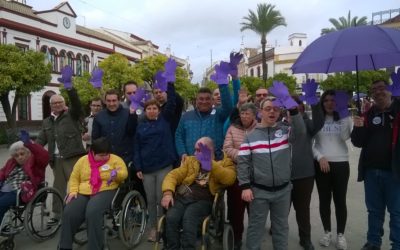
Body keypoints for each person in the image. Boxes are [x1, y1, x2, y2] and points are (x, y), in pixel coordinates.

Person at [237, 97, 305, 250]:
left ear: (280, 111)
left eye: (275, 108)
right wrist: (245, 186)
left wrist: (292, 108)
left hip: (283, 191)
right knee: (255, 228)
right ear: (260, 113)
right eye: (268, 109)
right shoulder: (250, 137)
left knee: (281, 228)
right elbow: (243, 163)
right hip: (259, 192)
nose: (272, 111)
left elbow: (300, 131)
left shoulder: (285, 131)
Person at [161, 137, 236, 250]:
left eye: (199, 150)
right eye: (195, 149)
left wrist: (209, 163)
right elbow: (173, 175)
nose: (195, 153)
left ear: (209, 150)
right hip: (183, 196)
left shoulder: (225, 161)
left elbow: (230, 178)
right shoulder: (191, 160)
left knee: (189, 218)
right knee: (171, 218)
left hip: (203, 200)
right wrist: (168, 193)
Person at [351, 80, 400, 250]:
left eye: (381, 88)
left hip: (395, 172)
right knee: (374, 210)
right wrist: (357, 127)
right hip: (371, 172)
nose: (378, 92)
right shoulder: (368, 114)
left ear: (390, 89)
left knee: (396, 212)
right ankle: (373, 242)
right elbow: (358, 142)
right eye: (374, 90)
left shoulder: (398, 109)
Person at [58, 137, 128, 250]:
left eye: (106, 154)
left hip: (106, 190)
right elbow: (74, 178)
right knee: (69, 211)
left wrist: (116, 175)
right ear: (93, 152)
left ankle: (95, 247)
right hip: (84, 191)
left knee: (93, 211)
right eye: (101, 155)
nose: (104, 157)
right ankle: (64, 246)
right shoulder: (82, 161)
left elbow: (123, 173)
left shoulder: (115, 159)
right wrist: (73, 191)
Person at [36, 86, 86, 225]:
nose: (57, 105)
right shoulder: (47, 121)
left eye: (60, 102)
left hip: (74, 157)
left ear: (64, 103)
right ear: (50, 105)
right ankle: (57, 215)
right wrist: (30, 148)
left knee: (80, 187)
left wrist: (71, 90)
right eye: (54, 103)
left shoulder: (72, 115)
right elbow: (41, 139)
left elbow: (76, 104)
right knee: (58, 188)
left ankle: (81, 212)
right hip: (56, 160)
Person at [134, 82, 177, 242]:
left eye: (154, 108)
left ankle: (163, 226)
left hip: (163, 166)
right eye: (148, 109)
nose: (151, 111)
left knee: (162, 197)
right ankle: (153, 228)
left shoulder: (164, 121)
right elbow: (136, 148)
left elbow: (171, 102)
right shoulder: (141, 127)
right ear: (145, 111)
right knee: (150, 200)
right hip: (146, 169)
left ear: (159, 111)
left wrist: (170, 83)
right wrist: (138, 166)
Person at [312, 90, 352, 250]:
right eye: (326, 100)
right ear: (322, 103)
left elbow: (344, 137)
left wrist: (343, 114)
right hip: (322, 164)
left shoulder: (345, 117)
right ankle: (327, 232)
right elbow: (311, 143)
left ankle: (340, 235)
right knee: (324, 200)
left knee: (340, 201)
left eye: (333, 100)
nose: (329, 103)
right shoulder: (317, 120)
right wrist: (319, 156)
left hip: (341, 163)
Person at [290, 96, 324, 250]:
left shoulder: (306, 122)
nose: (294, 107)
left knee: (302, 209)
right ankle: (278, 230)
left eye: (296, 104)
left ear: (302, 107)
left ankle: (305, 238)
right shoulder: (278, 122)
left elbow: (318, 124)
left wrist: (315, 102)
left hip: (304, 174)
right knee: (280, 209)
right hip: (282, 175)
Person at [223, 103, 258, 249]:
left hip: (256, 176)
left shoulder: (260, 128)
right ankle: (236, 238)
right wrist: (243, 155)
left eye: (247, 113)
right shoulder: (232, 128)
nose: (244, 116)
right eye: (242, 113)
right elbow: (227, 148)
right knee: (236, 211)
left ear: (254, 115)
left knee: (255, 211)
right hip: (236, 174)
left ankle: (254, 240)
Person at [0, 131, 49, 224]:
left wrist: (29, 144)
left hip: (20, 192)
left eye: (22, 154)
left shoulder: (35, 163)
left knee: (1, 204)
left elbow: (44, 156)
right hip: (6, 188)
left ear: (28, 153)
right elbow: (2, 172)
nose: (20, 157)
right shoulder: (11, 162)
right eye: (16, 155)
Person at [175, 86, 233, 162]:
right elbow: (178, 135)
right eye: (201, 99)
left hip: (215, 162)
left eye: (207, 99)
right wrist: (182, 153)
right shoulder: (186, 116)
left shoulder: (219, 114)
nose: (204, 102)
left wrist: (222, 83)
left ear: (212, 101)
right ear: (196, 101)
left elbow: (228, 107)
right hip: (191, 162)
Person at [92, 89, 138, 165]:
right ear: (105, 101)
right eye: (108, 101)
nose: (111, 103)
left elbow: (133, 133)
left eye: (114, 100)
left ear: (119, 100)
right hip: (106, 159)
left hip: (126, 158)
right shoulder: (99, 116)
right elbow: (95, 138)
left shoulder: (128, 113)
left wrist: (132, 116)